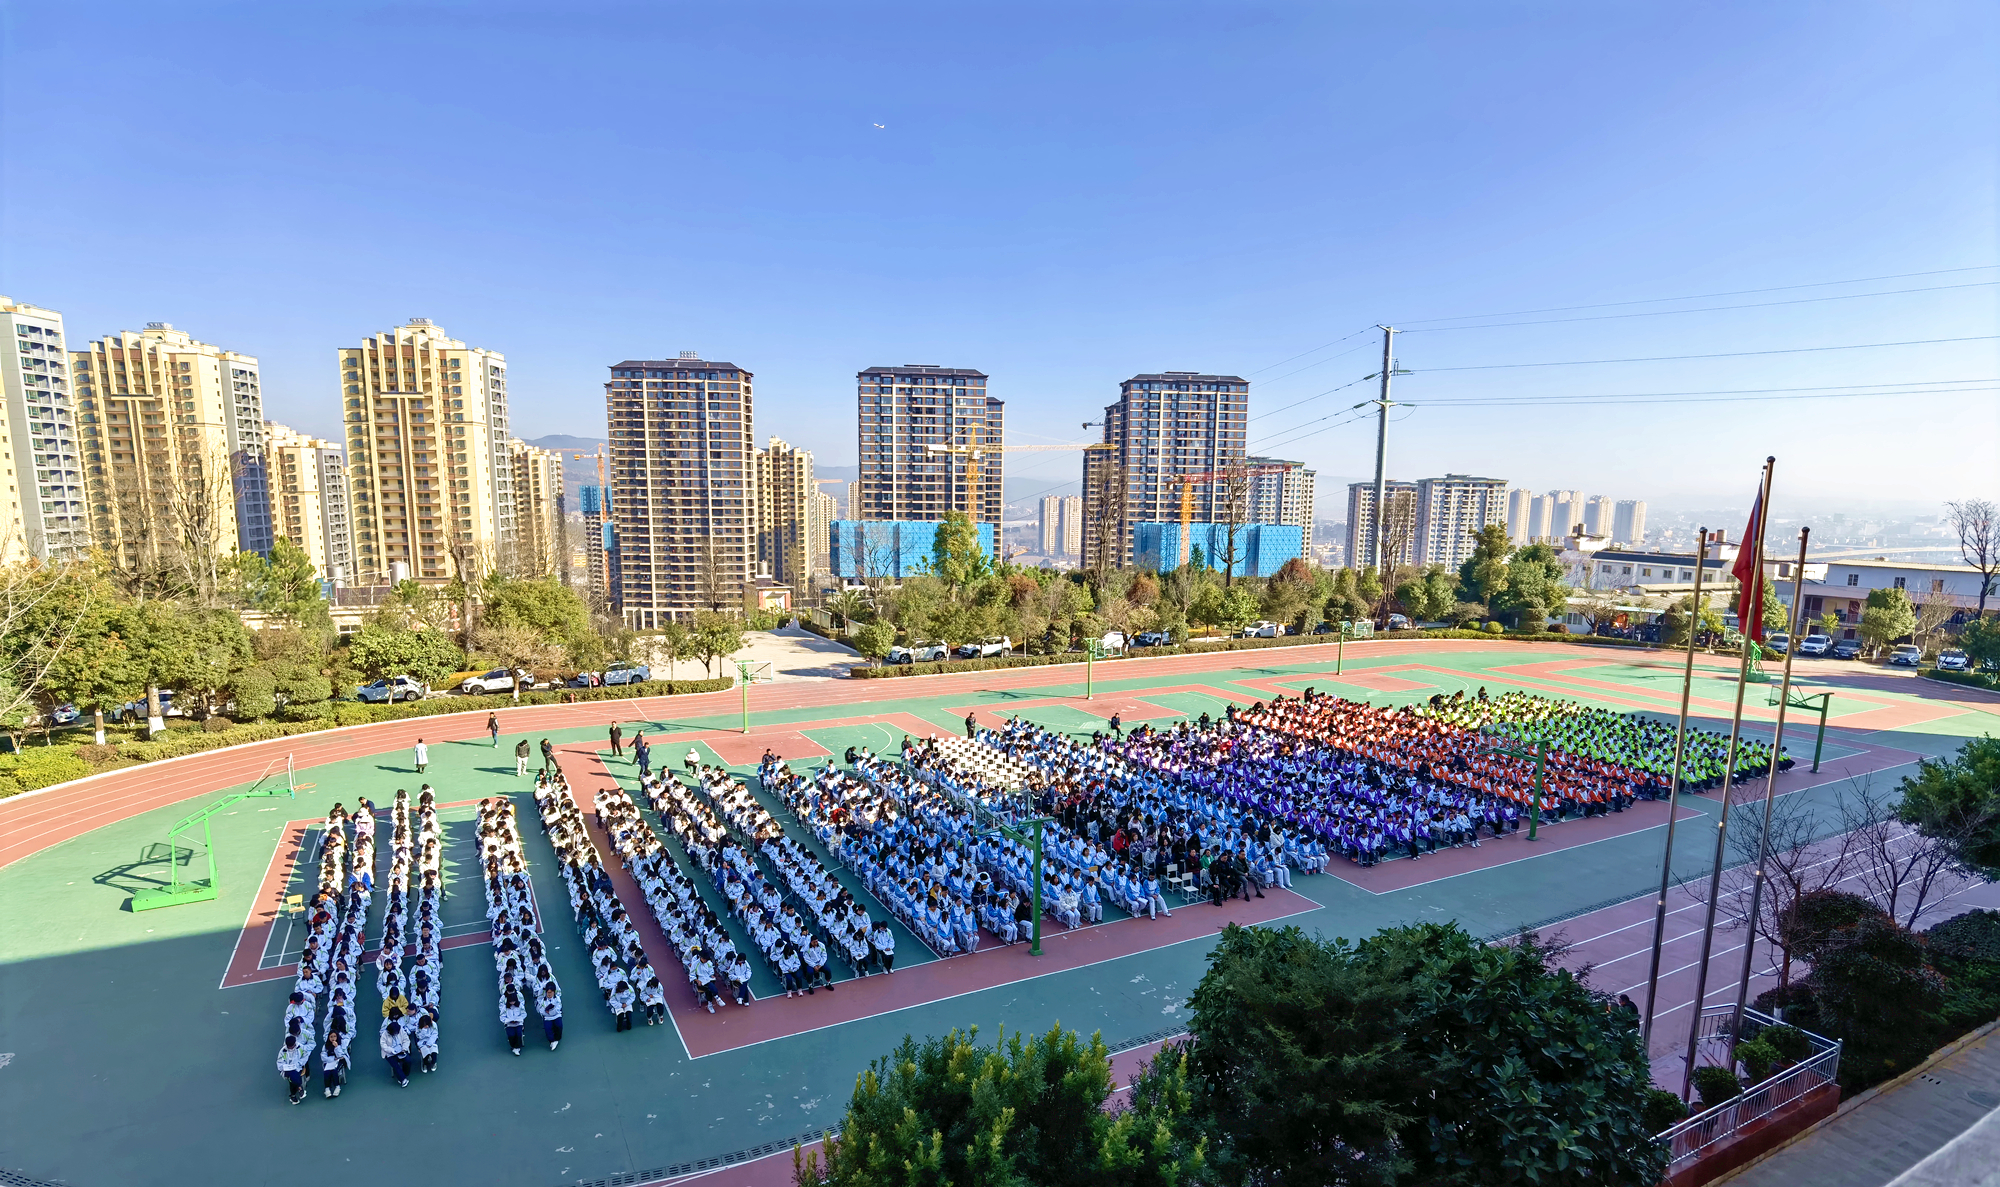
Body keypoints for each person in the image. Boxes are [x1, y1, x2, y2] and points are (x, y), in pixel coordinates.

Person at [380, 1014, 412, 1086]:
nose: (397, 1033)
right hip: (390, 1053)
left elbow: (406, 1040)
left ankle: (404, 1073)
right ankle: (403, 1079)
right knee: (395, 1065)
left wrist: (404, 1048)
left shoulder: (401, 1030)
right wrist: (392, 1050)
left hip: (401, 1050)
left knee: (408, 1060)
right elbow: (383, 1045)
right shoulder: (384, 1035)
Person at [278, 1033, 310, 1104]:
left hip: (298, 1067)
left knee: (292, 1078)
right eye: (290, 1047)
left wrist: (299, 1063)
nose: (292, 1048)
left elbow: (305, 1056)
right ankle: (299, 1088)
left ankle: (293, 1095)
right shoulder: (282, 1051)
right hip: (286, 1070)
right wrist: (286, 1067)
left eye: (292, 1046)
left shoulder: (300, 1047)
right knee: (292, 1074)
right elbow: (279, 1063)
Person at [537, 981, 564, 1049]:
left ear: (554, 992)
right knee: (548, 1029)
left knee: (559, 1025)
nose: (549, 994)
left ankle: (557, 1039)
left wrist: (550, 1011)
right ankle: (552, 1041)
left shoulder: (557, 999)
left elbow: (558, 1009)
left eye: (551, 992)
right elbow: (541, 1010)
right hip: (547, 1017)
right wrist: (546, 1012)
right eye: (548, 992)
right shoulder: (542, 1000)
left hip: (556, 1016)